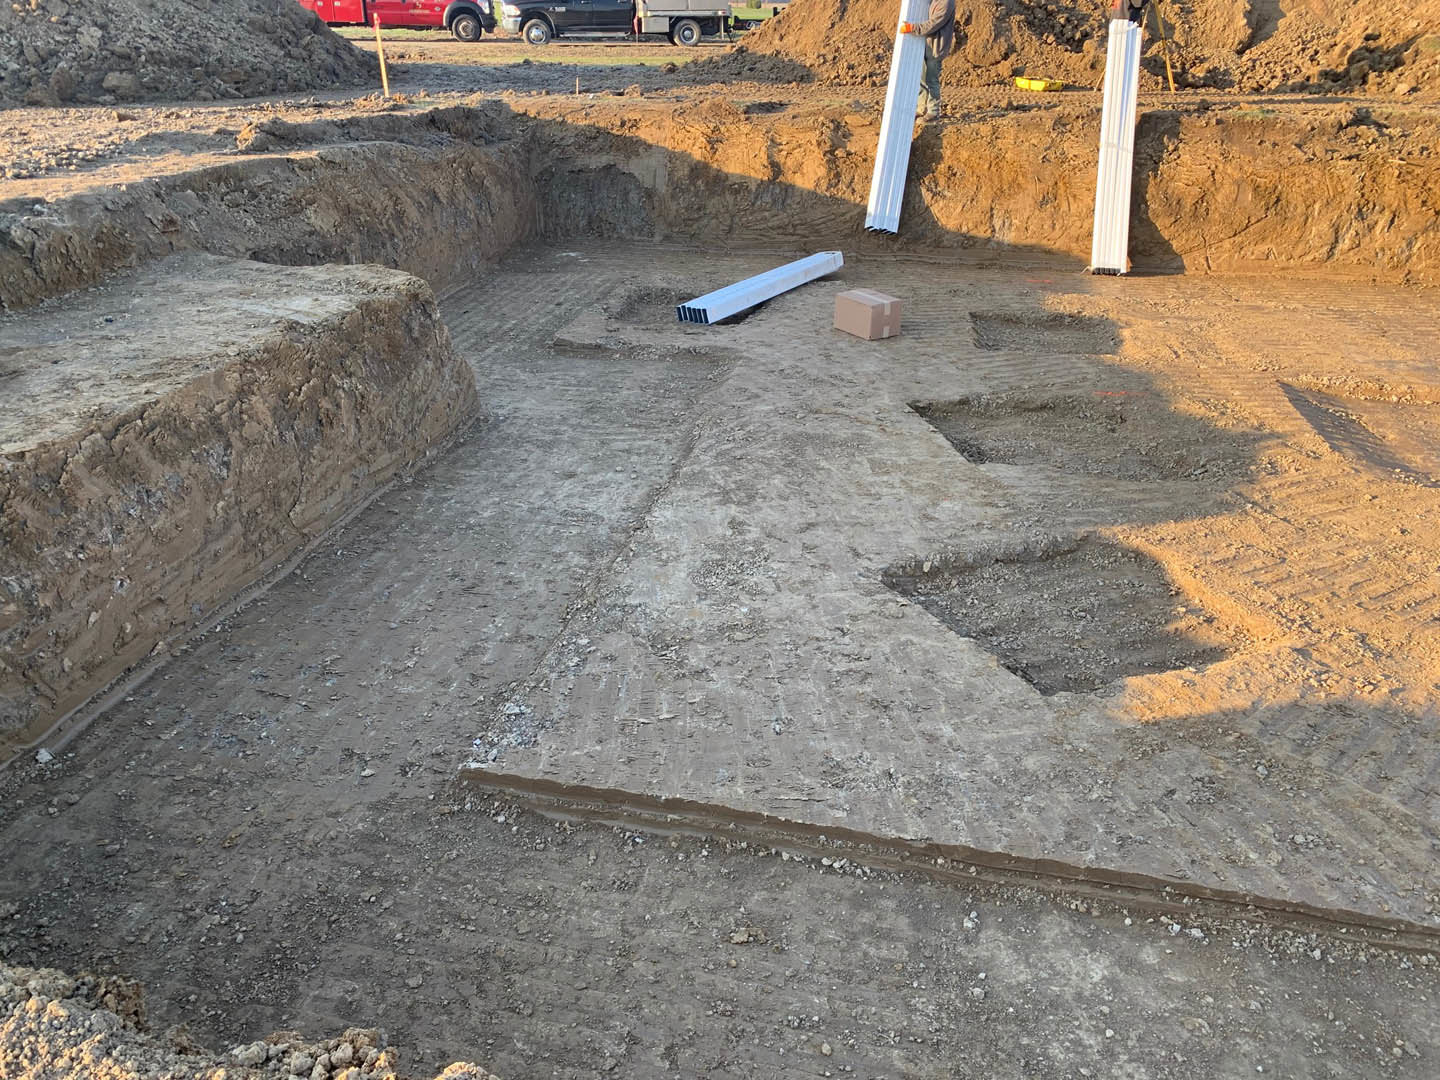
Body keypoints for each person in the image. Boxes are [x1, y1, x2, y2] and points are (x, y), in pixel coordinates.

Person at [899, 0, 956, 122]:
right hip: (926, 44)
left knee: (931, 80)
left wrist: (912, 28)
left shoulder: (946, 3)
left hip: (936, 47)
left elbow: (933, 24)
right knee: (922, 78)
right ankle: (921, 108)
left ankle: (933, 112)